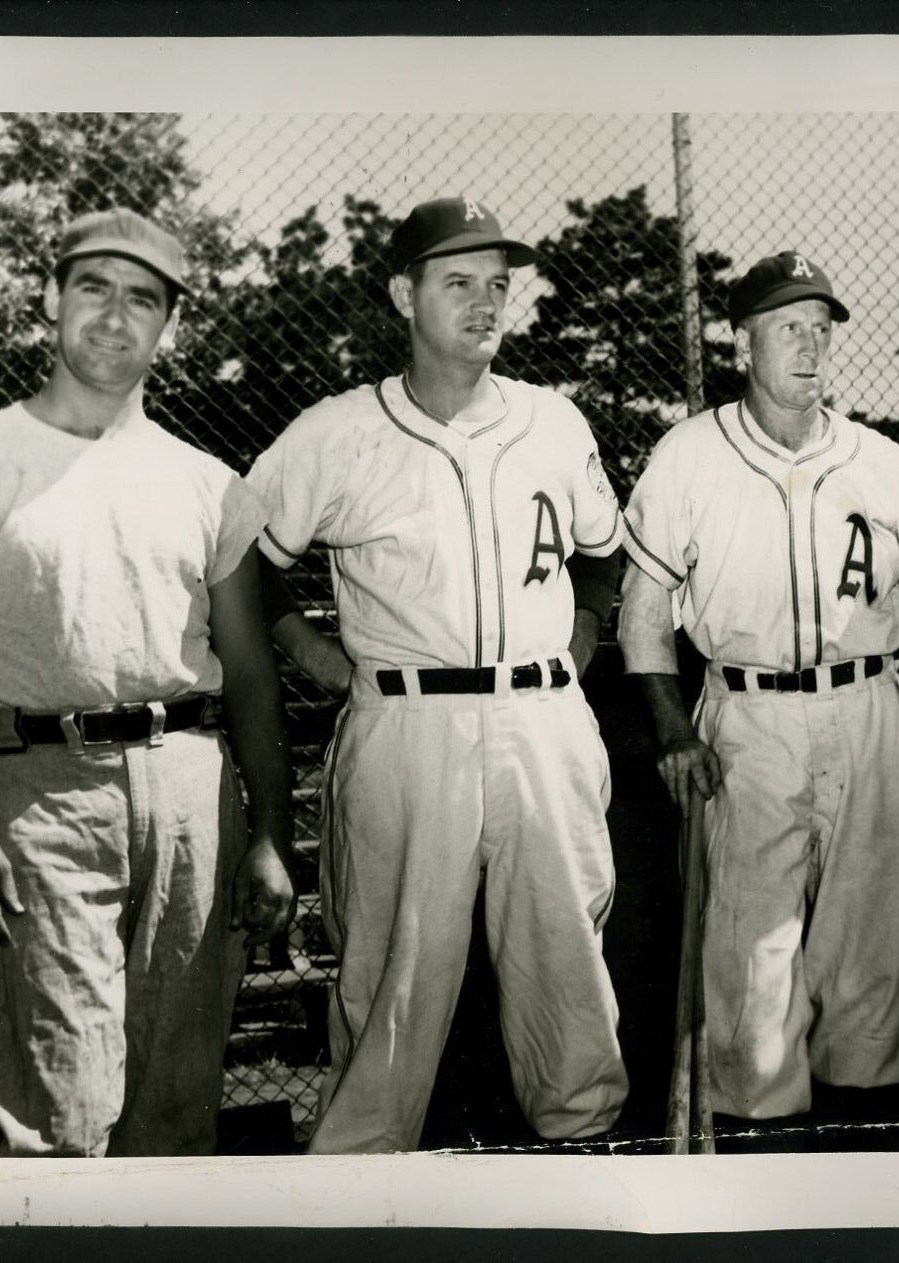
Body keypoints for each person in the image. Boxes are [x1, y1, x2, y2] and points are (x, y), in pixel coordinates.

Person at [247, 196, 629, 1154]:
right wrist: (309, 650)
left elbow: (602, 547)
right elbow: (241, 559)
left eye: (499, 284)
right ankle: (358, 1193)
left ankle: (587, 1173)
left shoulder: (554, 419)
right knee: (390, 987)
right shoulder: (337, 431)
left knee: (570, 969)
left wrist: (583, 631)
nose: (486, 302)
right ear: (401, 294)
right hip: (408, 729)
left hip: (544, 718)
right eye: (458, 282)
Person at [0, 208, 295, 1157]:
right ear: (51, 300)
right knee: (62, 1114)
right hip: (38, 792)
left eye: (144, 297)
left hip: (189, 794)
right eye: (93, 286)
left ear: (169, 328)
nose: (115, 314)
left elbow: (254, 676)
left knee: (176, 1111)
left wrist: (268, 833)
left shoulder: (207, 482)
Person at [618, 251, 899, 1128]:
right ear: (744, 342)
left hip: (870, 711)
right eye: (788, 328)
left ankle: (852, 1170)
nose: (810, 346)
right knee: (749, 964)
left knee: (871, 957)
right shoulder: (689, 455)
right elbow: (642, 613)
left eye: (821, 329)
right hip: (750, 715)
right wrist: (671, 729)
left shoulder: (879, 458)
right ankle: (754, 1165)